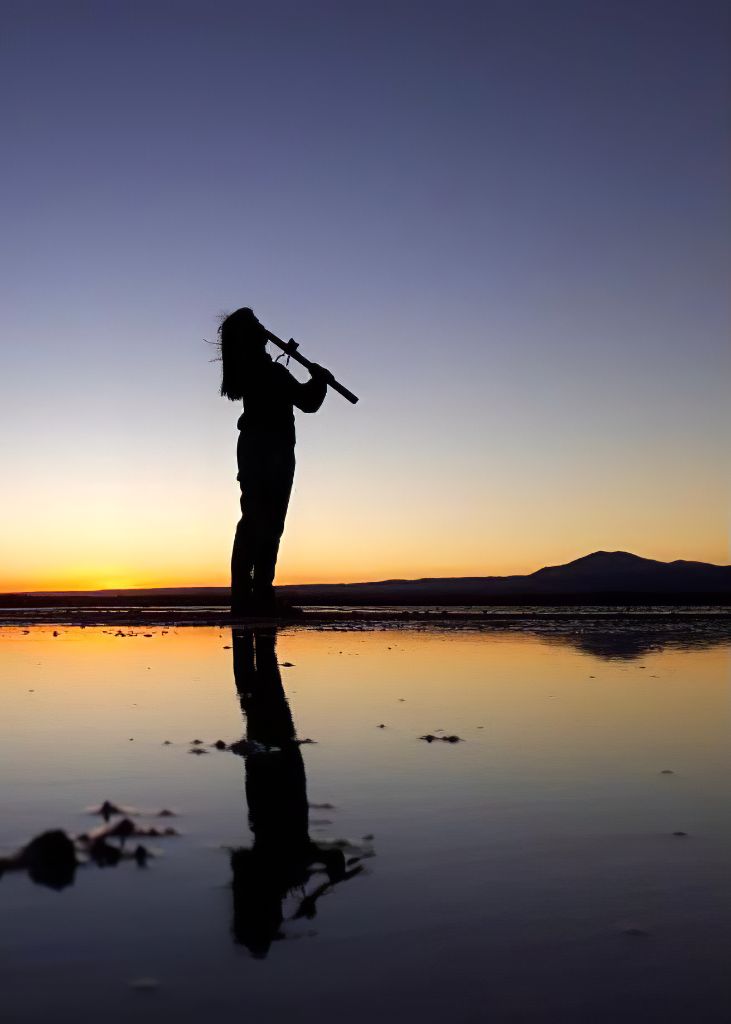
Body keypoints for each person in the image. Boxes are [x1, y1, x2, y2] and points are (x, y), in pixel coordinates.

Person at [219, 307, 333, 616]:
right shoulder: (268, 372)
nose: (262, 328)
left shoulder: (252, 371)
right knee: (266, 524)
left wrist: (317, 382)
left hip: (255, 448)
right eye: (256, 325)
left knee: (254, 522)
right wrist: (320, 380)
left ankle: (248, 598)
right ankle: (258, 599)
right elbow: (308, 402)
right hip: (273, 450)